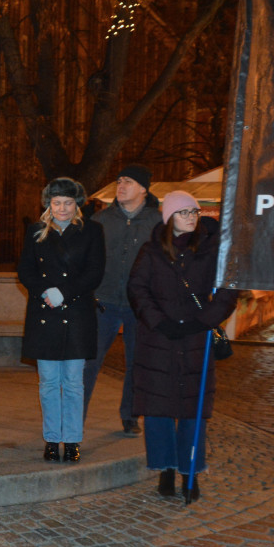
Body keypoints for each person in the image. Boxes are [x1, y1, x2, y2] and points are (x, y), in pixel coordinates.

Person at [127, 191, 236, 502]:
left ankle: (190, 472)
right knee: (158, 408)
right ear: (169, 217)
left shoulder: (212, 249)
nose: (190, 217)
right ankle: (165, 469)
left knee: (192, 410)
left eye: (194, 212)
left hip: (195, 339)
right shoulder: (152, 251)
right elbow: (137, 288)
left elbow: (228, 291)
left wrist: (202, 322)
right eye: (183, 212)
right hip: (158, 340)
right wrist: (159, 322)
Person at [18, 177, 105, 463]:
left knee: (73, 382)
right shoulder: (36, 231)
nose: (62, 208)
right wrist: (44, 291)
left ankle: (73, 439)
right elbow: (25, 270)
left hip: (77, 314)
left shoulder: (92, 231)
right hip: (45, 313)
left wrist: (64, 293)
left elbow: (95, 272)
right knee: (48, 382)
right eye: (57, 203)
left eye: (68, 202)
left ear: (77, 204)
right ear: (49, 204)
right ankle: (53, 440)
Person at [83, 164, 162, 437]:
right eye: (119, 181)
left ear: (143, 189)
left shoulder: (158, 222)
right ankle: (74, 418)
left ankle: (130, 415)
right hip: (103, 301)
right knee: (89, 362)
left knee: (137, 364)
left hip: (140, 306)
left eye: (128, 182)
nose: (121, 186)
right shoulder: (101, 220)